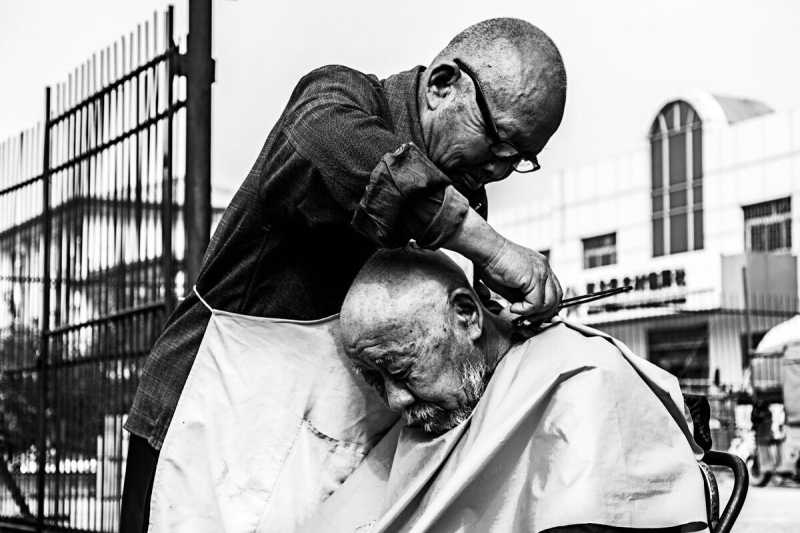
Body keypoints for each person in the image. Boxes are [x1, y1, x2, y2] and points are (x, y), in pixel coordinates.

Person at [120, 17, 567, 530]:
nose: (500, 169)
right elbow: (326, 141)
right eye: (499, 141)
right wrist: (491, 247)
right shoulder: (338, 101)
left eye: (521, 159)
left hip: (336, 453)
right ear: (443, 85)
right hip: (211, 425)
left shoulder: (465, 191)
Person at [321, 247, 709, 532]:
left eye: (402, 370)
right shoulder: (436, 408)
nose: (395, 400)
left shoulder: (583, 383)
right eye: (374, 379)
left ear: (466, 315)